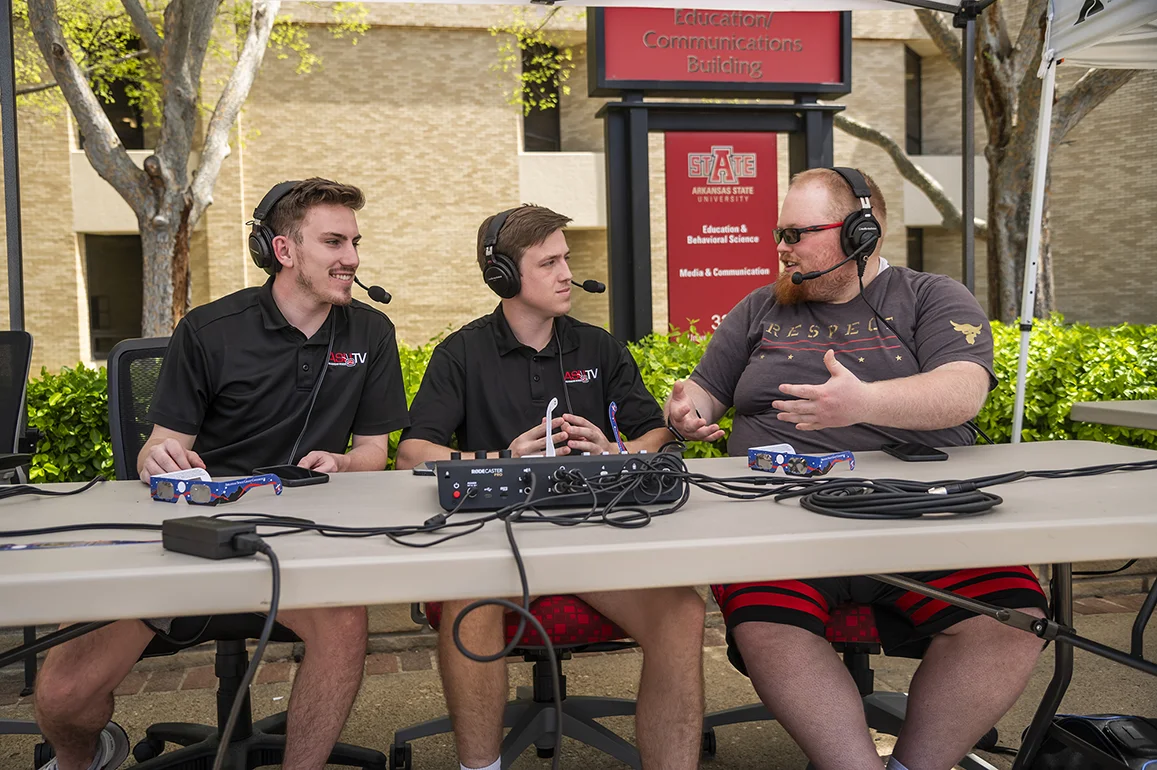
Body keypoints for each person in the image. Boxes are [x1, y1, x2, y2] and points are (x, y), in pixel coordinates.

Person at [665, 167, 1049, 770]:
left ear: (860, 232)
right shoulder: (759, 307)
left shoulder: (932, 296)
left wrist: (864, 401)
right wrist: (689, 410)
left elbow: (963, 391)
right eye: (779, 233)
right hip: (780, 520)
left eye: (797, 233)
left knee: (1013, 616)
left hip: (919, 517)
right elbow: (707, 393)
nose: (782, 248)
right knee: (768, 623)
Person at [33, 178, 409, 770]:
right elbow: (161, 448)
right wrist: (157, 459)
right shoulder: (209, 330)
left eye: (355, 242)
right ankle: (82, 758)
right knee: (61, 695)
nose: (353, 259)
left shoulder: (371, 333)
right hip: (191, 541)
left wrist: (340, 462)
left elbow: (372, 454)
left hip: (297, 545)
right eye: (334, 242)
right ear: (283, 251)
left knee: (344, 621)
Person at [396, 205, 705, 770]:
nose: (567, 273)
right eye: (549, 262)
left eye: (566, 258)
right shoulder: (460, 354)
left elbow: (658, 436)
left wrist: (616, 451)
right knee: (472, 602)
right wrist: (500, 458)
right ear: (504, 277)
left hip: (592, 541)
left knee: (682, 612)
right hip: (494, 545)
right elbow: (412, 454)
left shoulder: (598, 348)